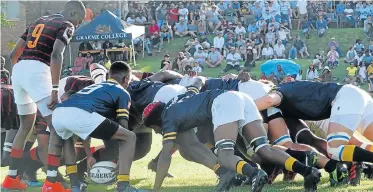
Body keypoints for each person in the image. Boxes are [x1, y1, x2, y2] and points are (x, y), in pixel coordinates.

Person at [143, 89, 321, 192]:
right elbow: (194, 91)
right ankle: (307, 171)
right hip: (241, 97)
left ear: (157, 121)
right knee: (263, 149)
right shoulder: (176, 102)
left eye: (154, 129)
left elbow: (165, 156)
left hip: (224, 102)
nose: (157, 132)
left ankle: (254, 174)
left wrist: (155, 189)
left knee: (225, 155)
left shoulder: (166, 118)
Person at [2, 1, 86, 191]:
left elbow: (14, 53)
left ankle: (11, 178)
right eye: (79, 20)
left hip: (19, 70)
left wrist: (19, 77)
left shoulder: (39, 20)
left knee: (25, 127)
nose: (78, 25)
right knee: (57, 126)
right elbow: (56, 55)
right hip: (38, 70)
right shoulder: (66, 24)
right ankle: (52, 181)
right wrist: (55, 88)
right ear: (72, 12)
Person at [52, 62, 147, 192]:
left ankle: (75, 185)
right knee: (130, 137)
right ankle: (123, 186)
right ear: (125, 79)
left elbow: (82, 127)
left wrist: (89, 155)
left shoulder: (96, 87)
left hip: (58, 113)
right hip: (80, 113)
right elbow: (123, 126)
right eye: (128, 80)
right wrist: (120, 156)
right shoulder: (122, 92)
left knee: (67, 139)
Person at [255, 81, 373, 173]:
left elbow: (269, 100)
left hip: (345, 97)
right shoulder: (289, 101)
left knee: (334, 150)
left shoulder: (277, 90)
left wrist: (246, 107)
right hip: (358, 95)